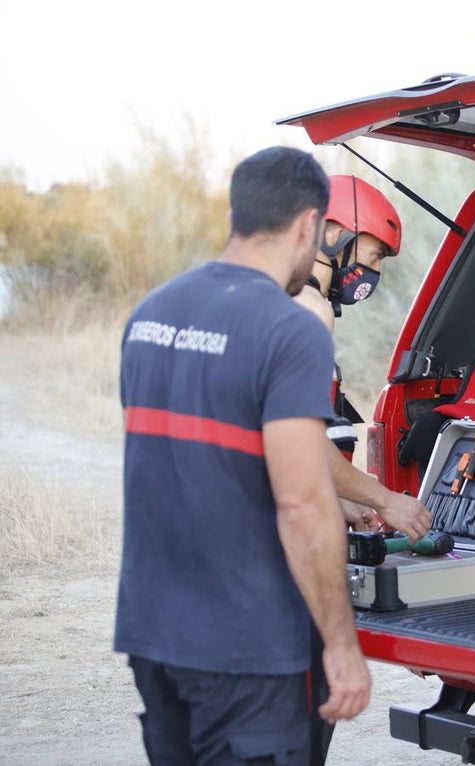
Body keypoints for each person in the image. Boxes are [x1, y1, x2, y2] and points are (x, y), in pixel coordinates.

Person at [115, 146, 371, 765]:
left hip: (154, 633)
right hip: (246, 646)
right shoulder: (290, 331)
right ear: (310, 225)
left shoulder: (148, 317)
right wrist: (340, 644)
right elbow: (304, 504)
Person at [294, 174, 431, 538]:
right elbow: (303, 444)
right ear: (334, 234)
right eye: (375, 255)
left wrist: (338, 495)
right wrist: (386, 501)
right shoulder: (309, 310)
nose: (375, 272)